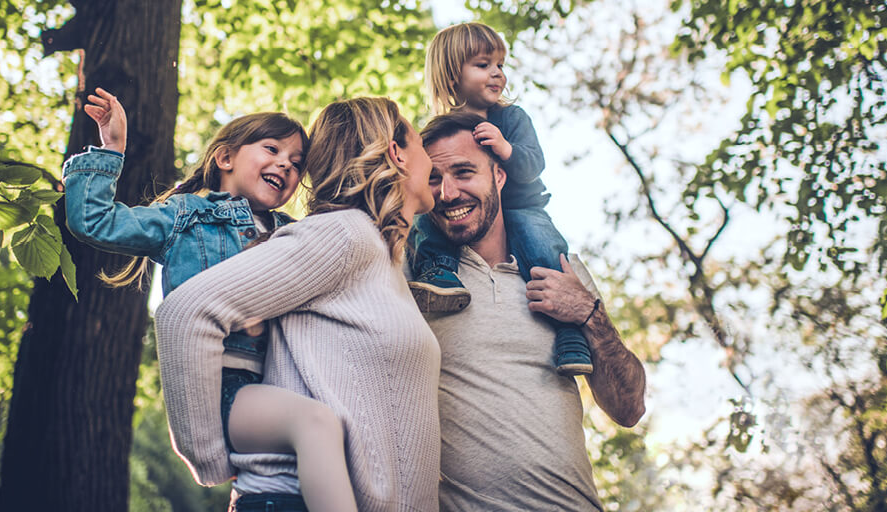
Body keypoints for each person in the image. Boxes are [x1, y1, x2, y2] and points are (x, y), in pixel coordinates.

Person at [63, 89, 358, 511]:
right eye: (272, 149)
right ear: (225, 158)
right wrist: (112, 148)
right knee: (315, 424)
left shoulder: (294, 231)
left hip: (278, 382)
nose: (285, 165)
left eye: (296, 164)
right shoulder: (186, 216)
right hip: (224, 391)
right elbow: (94, 221)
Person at [153, 97, 442, 512]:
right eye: (421, 144)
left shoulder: (382, 254)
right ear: (396, 153)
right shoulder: (343, 235)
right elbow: (186, 312)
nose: (431, 161)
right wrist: (210, 456)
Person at [416, 111, 647, 511]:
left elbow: (629, 408)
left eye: (464, 173)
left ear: (500, 177)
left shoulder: (562, 271)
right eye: (434, 179)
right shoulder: (416, 276)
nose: (448, 193)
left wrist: (589, 314)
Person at [408, 21, 594, 376]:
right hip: (468, 216)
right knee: (424, 219)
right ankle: (439, 273)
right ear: (451, 77)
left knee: (542, 247)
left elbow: (533, 164)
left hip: (521, 207)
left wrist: (505, 149)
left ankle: (569, 334)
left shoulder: (511, 118)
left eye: (500, 66)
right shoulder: (440, 132)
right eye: (483, 65)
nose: (497, 74)